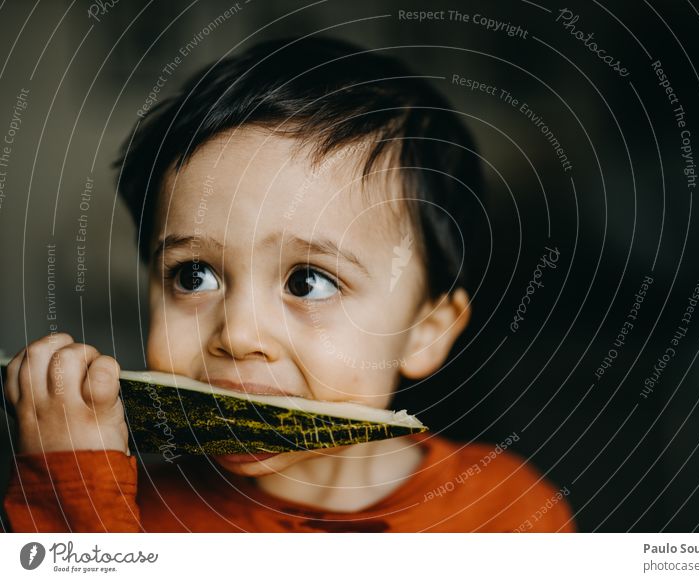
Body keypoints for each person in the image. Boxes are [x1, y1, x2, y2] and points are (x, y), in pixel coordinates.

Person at [2, 37, 575, 532]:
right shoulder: (121, 514)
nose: (240, 334)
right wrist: (68, 490)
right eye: (192, 275)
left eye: (308, 282)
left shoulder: (506, 515)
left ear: (424, 331)